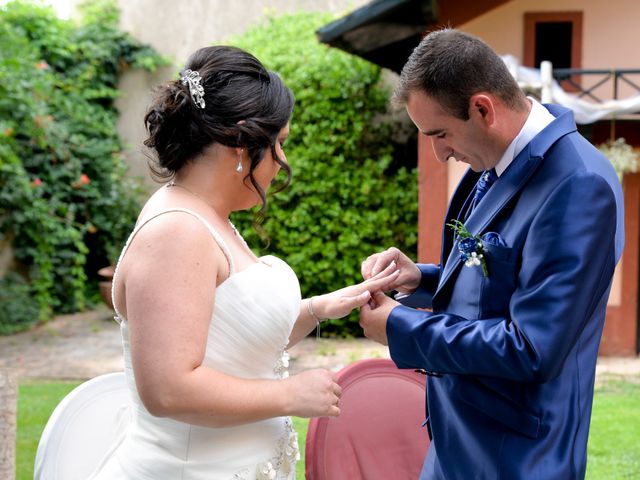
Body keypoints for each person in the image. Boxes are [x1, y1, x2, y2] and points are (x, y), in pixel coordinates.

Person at [37, 45, 399, 480]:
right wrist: (289, 395)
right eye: (279, 143)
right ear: (243, 142)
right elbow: (168, 389)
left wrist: (318, 308)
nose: (283, 161)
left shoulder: (206, 216)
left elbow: (230, 346)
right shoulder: (177, 231)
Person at [359, 29, 624, 480]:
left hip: (516, 457)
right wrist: (418, 279)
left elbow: (532, 347)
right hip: (455, 442)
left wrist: (401, 326)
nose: (439, 153)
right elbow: (500, 283)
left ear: (483, 108)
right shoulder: (492, 164)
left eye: (440, 133)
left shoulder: (579, 185)